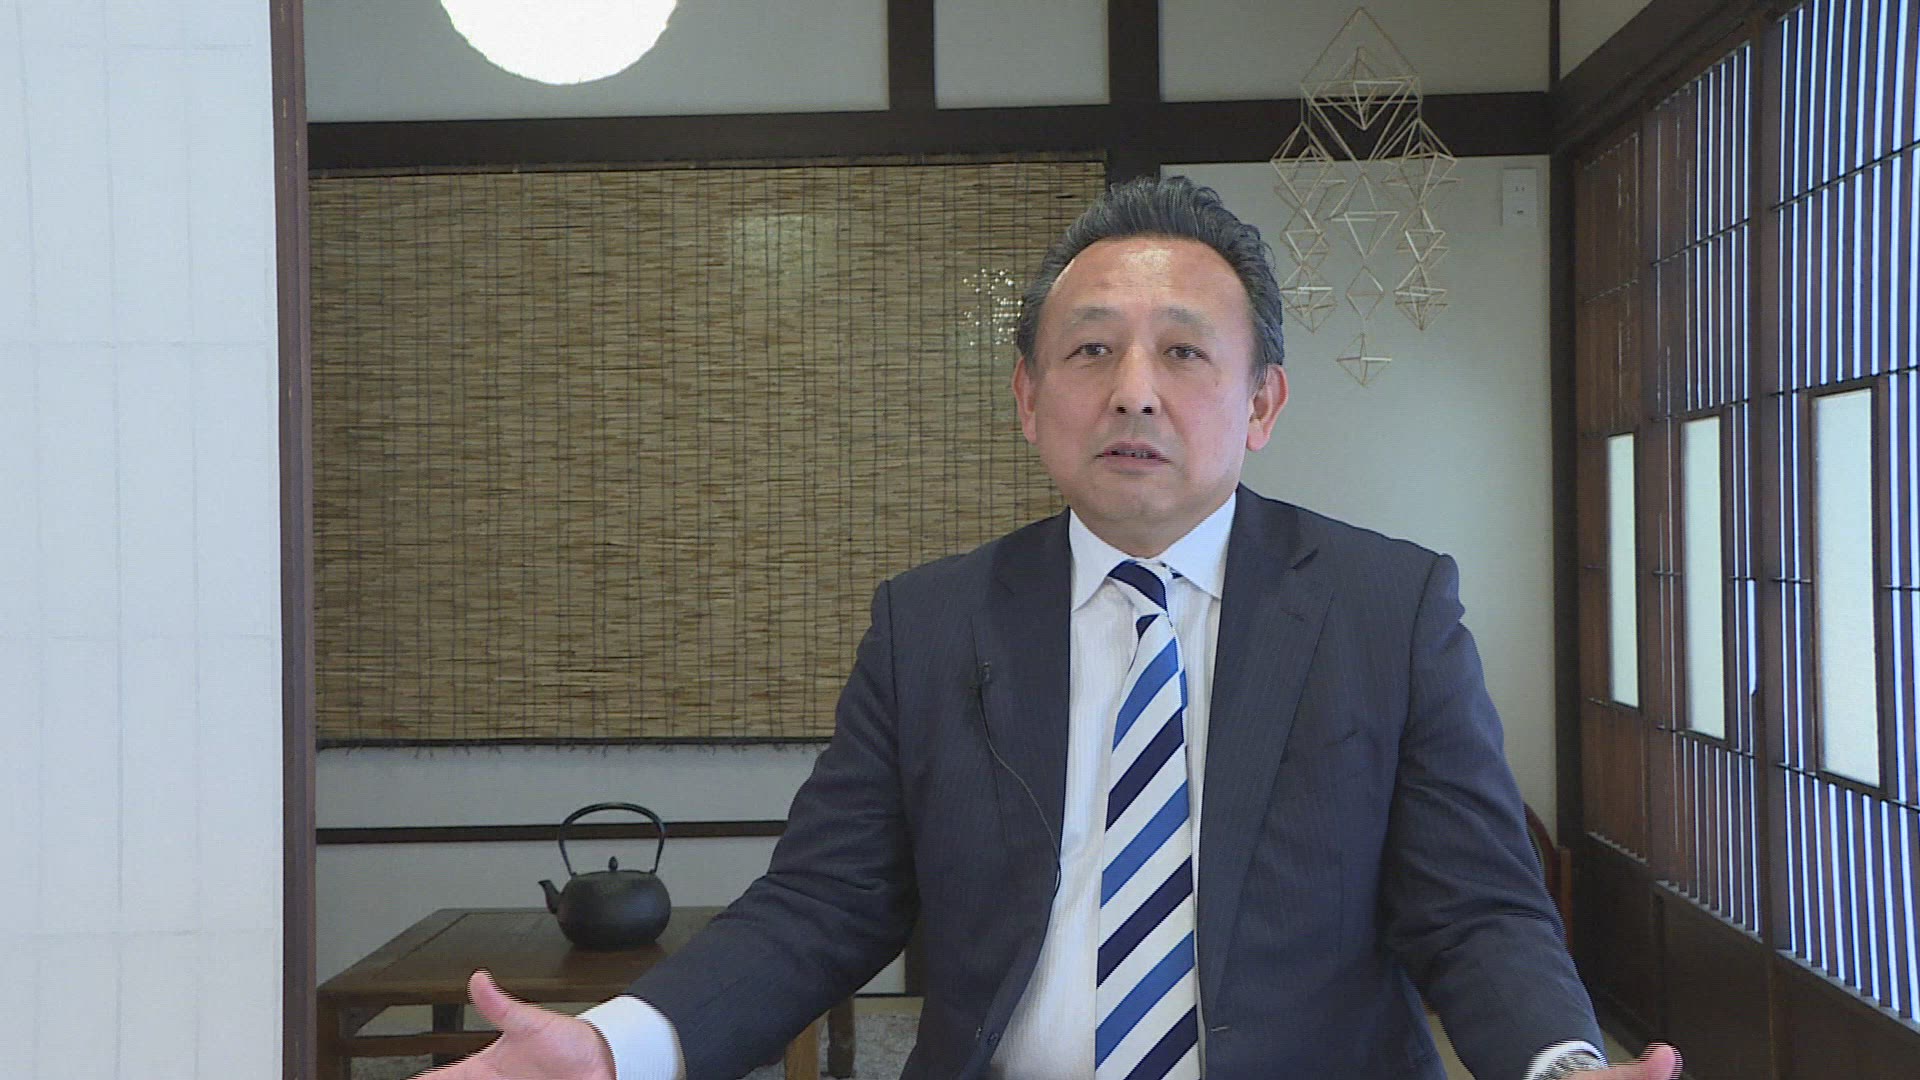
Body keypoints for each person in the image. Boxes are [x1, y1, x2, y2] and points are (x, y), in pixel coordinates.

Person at [420, 177, 1682, 1080]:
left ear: (1261, 404)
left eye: (1183, 353)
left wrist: (1562, 1064)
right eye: (1090, 352)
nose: (1133, 390)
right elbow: (820, 906)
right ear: (1030, 398)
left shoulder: (1385, 607)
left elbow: (1478, 912)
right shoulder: (930, 624)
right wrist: (613, 1047)